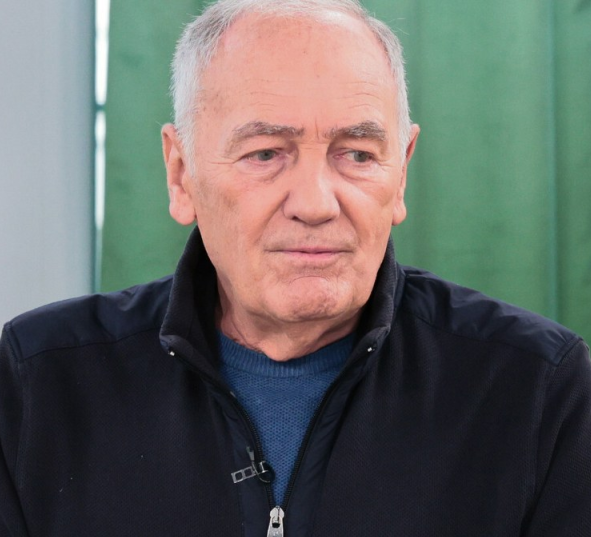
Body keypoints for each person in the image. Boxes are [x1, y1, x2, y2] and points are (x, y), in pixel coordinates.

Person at [1, 0, 590, 535]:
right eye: (265, 153)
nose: (315, 203)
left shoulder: (539, 392)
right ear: (181, 175)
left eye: (357, 154)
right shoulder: (37, 385)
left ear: (401, 173)